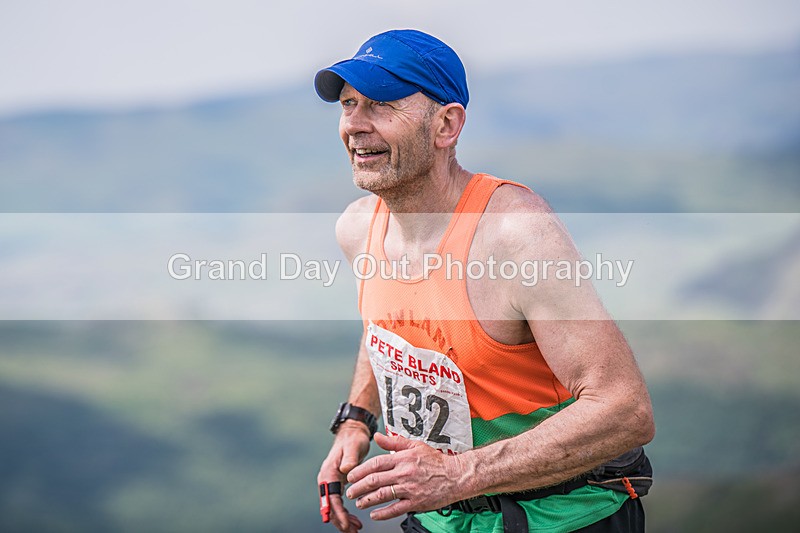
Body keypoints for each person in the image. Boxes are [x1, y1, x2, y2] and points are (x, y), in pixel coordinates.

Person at [314, 29, 655, 533]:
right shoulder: (358, 228)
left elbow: (625, 410)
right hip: (438, 517)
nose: (355, 126)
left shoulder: (516, 235)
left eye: (381, 105)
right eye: (348, 104)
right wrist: (355, 421)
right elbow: (384, 329)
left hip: (562, 519)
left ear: (446, 125)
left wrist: (457, 474)